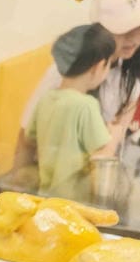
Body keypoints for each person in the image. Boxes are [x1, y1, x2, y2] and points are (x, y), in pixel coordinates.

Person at [13, 0, 140, 181]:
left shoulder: (130, 82)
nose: (134, 38)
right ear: (101, 31)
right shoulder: (64, 73)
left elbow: (110, 146)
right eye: (124, 29)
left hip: (92, 185)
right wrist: (16, 185)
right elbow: (26, 138)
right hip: (55, 186)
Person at [29, 24, 121, 196]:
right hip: (75, 201)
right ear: (99, 66)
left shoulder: (46, 99)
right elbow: (101, 156)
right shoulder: (86, 105)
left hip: (45, 195)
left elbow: (31, 137)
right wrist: (115, 136)